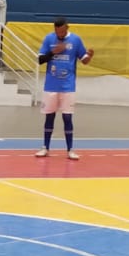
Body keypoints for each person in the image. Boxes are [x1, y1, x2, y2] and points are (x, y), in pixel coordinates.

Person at [35, 16, 92, 159]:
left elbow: (84, 60)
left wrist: (89, 56)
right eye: (57, 32)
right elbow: (40, 60)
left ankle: (70, 150)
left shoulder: (75, 40)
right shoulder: (49, 39)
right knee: (49, 117)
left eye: (61, 32)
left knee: (67, 117)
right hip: (51, 85)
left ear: (67, 28)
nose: (59, 35)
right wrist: (53, 52)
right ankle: (45, 147)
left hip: (68, 86)